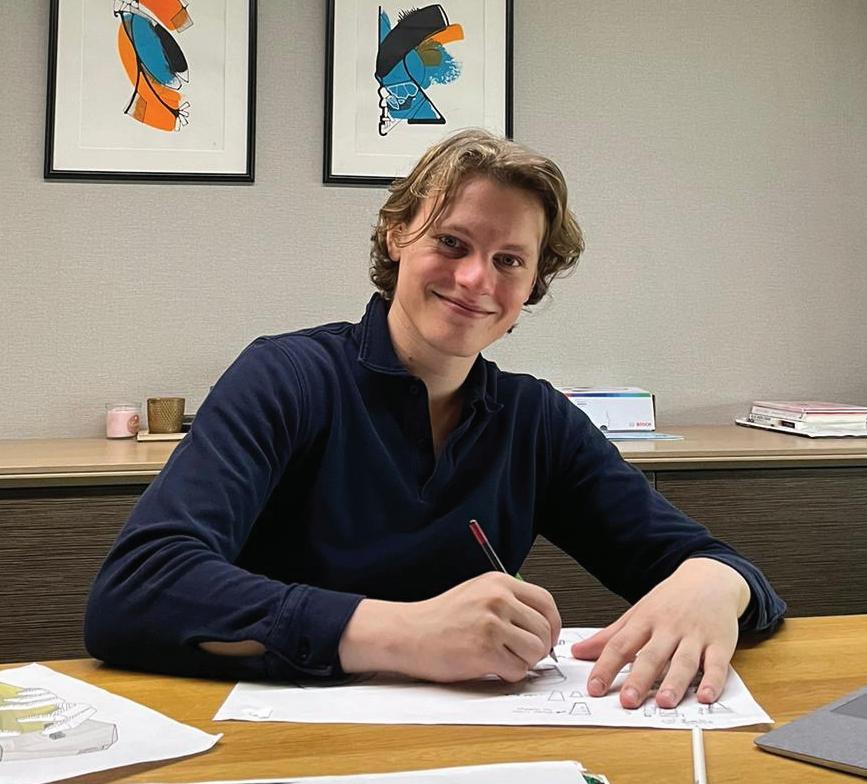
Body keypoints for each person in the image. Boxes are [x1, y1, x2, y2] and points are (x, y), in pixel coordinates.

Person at [84, 129, 784, 710]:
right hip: (277, 738)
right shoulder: (287, 377)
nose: (477, 278)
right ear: (397, 235)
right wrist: (407, 633)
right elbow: (135, 592)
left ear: (531, 287)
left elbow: (727, 571)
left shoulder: (535, 419)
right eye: (452, 243)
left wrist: (713, 582)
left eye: (509, 260)